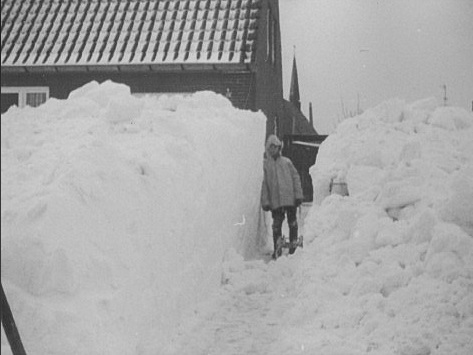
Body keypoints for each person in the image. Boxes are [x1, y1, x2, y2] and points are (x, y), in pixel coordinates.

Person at [261, 135, 303, 258]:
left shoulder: (286, 162)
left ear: (279, 148)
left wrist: (298, 195)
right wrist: (266, 202)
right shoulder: (266, 166)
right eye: (271, 147)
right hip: (275, 202)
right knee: (277, 225)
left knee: (292, 222)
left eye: (275, 147)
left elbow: (296, 179)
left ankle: (293, 247)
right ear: (268, 149)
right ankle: (277, 247)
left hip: (289, 200)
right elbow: (265, 185)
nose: (273, 150)